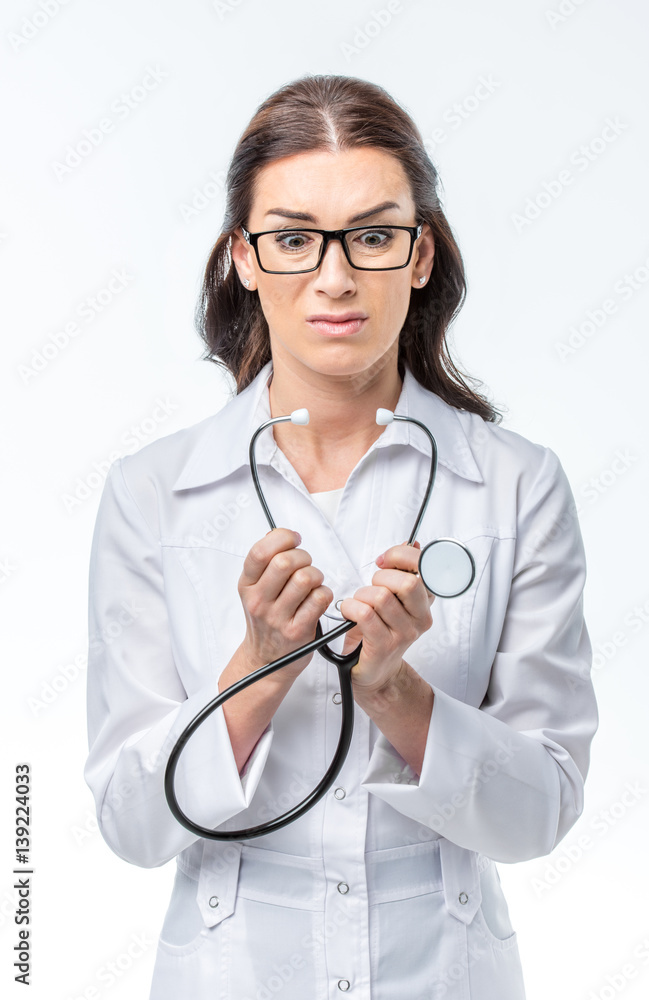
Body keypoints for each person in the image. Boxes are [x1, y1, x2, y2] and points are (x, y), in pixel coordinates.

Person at [83, 74, 599, 1000]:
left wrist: (396, 691)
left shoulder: (518, 484)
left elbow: (541, 816)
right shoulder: (150, 493)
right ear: (243, 258)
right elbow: (129, 823)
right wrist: (260, 665)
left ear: (420, 256)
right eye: (291, 238)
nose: (333, 277)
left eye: (371, 235)